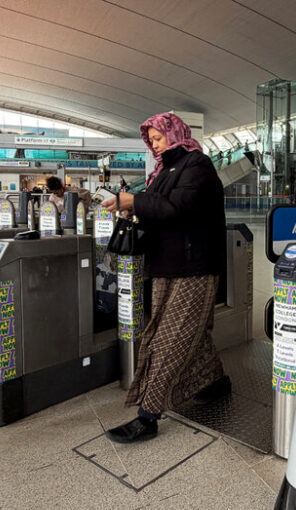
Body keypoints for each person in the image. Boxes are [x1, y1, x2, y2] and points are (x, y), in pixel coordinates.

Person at [101, 112, 229, 443]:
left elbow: (178, 206)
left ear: (175, 134)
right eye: (151, 140)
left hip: (195, 267)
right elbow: (160, 210)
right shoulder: (160, 172)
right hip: (165, 265)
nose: (154, 145)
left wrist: (135, 200)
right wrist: (134, 208)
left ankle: (148, 416)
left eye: (158, 138)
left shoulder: (197, 164)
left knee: (169, 338)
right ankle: (216, 381)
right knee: (186, 332)